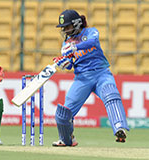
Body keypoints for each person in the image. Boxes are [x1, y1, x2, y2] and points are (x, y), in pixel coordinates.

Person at [52, 9, 129, 147]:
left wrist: (74, 47)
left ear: (76, 24)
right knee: (64, 114)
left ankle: (119, 128)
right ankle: (67, 139)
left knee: (111, 94)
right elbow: (70, 64)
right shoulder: (66, 44)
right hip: (82, 78)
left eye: (67, 27)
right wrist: (64, 63)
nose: (65, 31)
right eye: (63, 28)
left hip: (101, 74)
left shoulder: (91, 32)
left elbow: (92, 42)